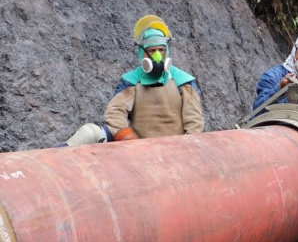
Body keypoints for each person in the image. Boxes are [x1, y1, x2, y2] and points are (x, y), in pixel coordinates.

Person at [63, 15, 204, 146]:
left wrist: (185, 150)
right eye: (152, 50)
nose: (157, 56)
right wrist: (129, 140)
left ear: (167, 50)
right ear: (142, 52)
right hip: (137, 146)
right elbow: (115, 113)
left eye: (161, 50)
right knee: (89, 133)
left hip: (174, 148)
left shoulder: (184, 81)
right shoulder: (131, 81)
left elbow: (194, 124)